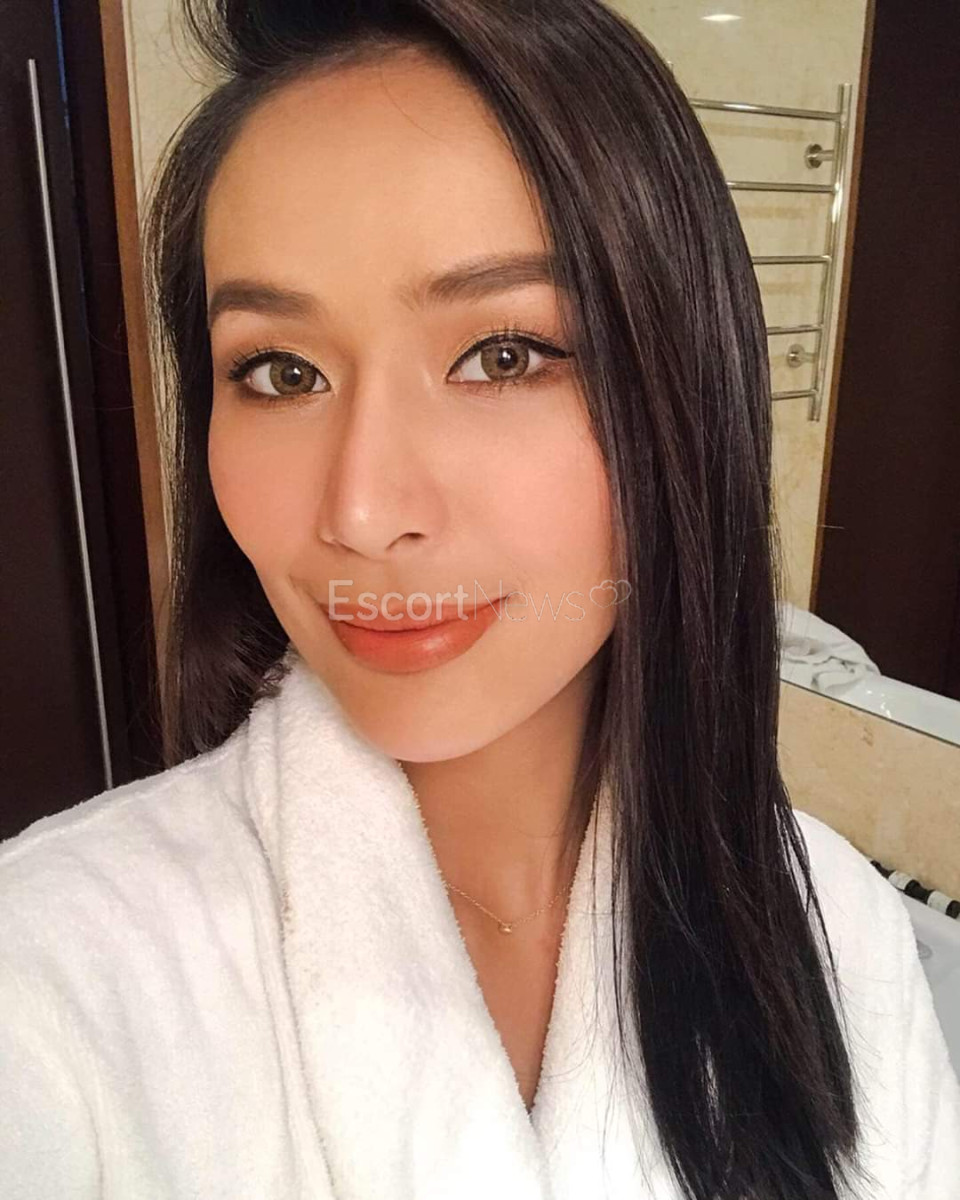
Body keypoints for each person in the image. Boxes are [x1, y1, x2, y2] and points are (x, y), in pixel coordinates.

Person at [2, 1, 958, 1197]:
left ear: (682, 386)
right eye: (281, 372)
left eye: (503, 355)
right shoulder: (49, 979)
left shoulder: (840, 939)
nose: (362, 510)